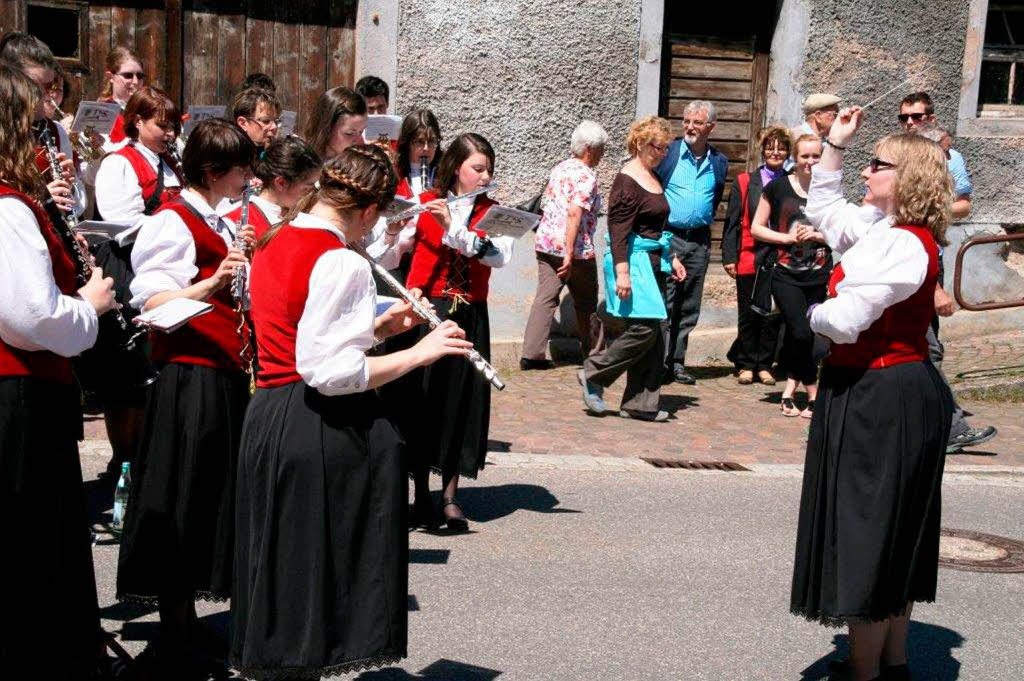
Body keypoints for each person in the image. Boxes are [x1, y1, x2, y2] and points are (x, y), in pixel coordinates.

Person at [232, 144, 472, 679]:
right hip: (312, 420)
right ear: (367, 210)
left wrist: (380, 328)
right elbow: (327, 370)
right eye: (375, 221)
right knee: (311, 581)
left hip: (270, 412)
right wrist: (419, 354)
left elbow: (296, 328)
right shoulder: (339, 258)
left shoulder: (277, 235)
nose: (371, 234)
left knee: (283, 574)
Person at [791, 107, 954, 681]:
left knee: (873, 525)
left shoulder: (903, 243)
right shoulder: (885, 230)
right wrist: (834, 144)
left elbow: (847, 318)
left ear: (905, 177)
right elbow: (825, 210)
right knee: (889, 525)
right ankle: (891, 661)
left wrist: (811, 310)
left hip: (881, 391)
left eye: (876, 165)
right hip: (883, 387)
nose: (865, 172)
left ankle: (865, 671)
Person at [116, 119, 256, 675]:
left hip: (221, 373)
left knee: (208, 496)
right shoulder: (171, 221)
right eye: (242, 167)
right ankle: (175, 628)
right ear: (213, 171)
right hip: (188, 378)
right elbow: (150, 303)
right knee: (184, 494)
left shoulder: (217, 217)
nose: (250, 176)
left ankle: (191, 619)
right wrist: (214, 282)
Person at [0, 61, 117, 681]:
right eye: (35, 123)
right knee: (30, 548)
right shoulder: (8, 208)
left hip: (28, 395)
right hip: (18, 399)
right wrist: (90, 309)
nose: (47, 134)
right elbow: (31, 318)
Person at [404, 132, 515, 531]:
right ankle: (419, 495)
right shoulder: (428, 203)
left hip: (471, 312)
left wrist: (454, 228)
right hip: (433, 309)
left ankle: (450, 495)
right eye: (477, 169)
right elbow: (417, 251)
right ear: (455, 168)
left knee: (461, 400)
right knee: (426, 397)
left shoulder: (495, 212)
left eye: (488, 170)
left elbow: (498, 255)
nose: (485, 177)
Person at [91, 86, 184, 476]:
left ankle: (151, 452)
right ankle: (124, 459)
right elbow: (121, 222)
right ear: (138, 121)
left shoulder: (172, 164)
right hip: (127, 269)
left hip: (163, 266)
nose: (169, 133)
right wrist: (171, 224)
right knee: (127, 370)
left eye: (173, 126)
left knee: (156, 365)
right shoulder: (120, 163)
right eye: (160, 125)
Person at [899, 93, 997, 453]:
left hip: (929, 259)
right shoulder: (894, 161)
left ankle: (933, 424)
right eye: (904, 118)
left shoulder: (948, 160)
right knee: (924, 348)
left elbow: (963, 204)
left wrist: (931, 207)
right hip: (908, 263)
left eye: (917, 117)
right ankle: (948, 425)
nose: (910, 123)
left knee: (923, 347)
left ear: (931, 118)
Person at [579, 116, 686, 422]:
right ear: (639, 143)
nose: (663, 153)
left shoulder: (651, 176)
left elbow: (655, 228)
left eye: (666, 148)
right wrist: (622, 273)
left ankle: (640, 403)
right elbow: (618, 230)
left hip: (653, 261)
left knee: (657, 334)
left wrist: (672, 258)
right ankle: (593, 372)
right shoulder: (627, 181)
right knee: (645, 329)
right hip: (633, 263)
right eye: (658, 146)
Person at [751, 135, 830, 417]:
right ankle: (814, 392)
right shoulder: (778, 187)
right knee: (798, 330)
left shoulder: (829, 189)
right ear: (793, 159)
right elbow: (756, 228)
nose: (810, 162)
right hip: (785, 272)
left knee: (806, 335)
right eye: (804, 156)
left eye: (816, 156)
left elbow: (842, 233)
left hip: (819, 274)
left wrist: (819, 235)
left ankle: (788, 391)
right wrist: (786, 237)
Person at [520, 120, 608, 370]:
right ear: (589, 149)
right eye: (601, 149)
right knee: (587, 302)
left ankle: (531, 355)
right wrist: (569, 253)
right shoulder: (587, 176)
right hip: (575, 250)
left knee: (545, 298)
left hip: (546, 243)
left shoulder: (560, 168)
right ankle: (596, 355)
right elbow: (574, 213)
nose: (603, 154)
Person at [654, 100, 728, 385]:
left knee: (690, 305)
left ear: (711, 127)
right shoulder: (669, 153)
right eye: (686, 121)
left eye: (697, 122)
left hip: (699, 240)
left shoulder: (718, 162)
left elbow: (717, 194)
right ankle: (660, 362)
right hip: (669, 236)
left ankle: (677, 361)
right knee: (668, 300)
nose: (690, 127)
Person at [721, 125, 787, 385]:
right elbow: (732, 221)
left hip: (779, 255)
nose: (775, 151)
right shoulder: (745, 181)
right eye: (770, 146)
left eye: (781, 147)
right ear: (762, 150)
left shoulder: (791, 181)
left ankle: (764, 364)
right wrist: (729, 256)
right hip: (749, 253)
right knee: (748, 312)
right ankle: (746, 363)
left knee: (771, 314)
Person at [0, 32, 87, 219]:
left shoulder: (53, 131)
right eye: (36, 86)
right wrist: (40, 204)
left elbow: (75, 207)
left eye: (50, 86)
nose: (47, 95)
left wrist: (69, 185)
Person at [223, 134, 322, 240]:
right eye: (307, 188)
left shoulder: (297, 219)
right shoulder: (237, 222)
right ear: (281, 183)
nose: (312, 194)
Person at [98, 45, 147, 150]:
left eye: (140, 76)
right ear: (110, 77)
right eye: (128, 75)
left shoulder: (148, 111)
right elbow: (100, 154)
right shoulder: (101, 112)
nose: (135, 82)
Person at [305, 86, 368, 160]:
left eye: (361, 131)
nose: (360, 141)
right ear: (327, 129)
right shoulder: (305, 166)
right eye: (349, 133)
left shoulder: (361, 163)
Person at [233, 87, 281, 152]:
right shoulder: (232, 155)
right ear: (243, 123)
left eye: (276, 121)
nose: (274, 127)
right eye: (265, 121)